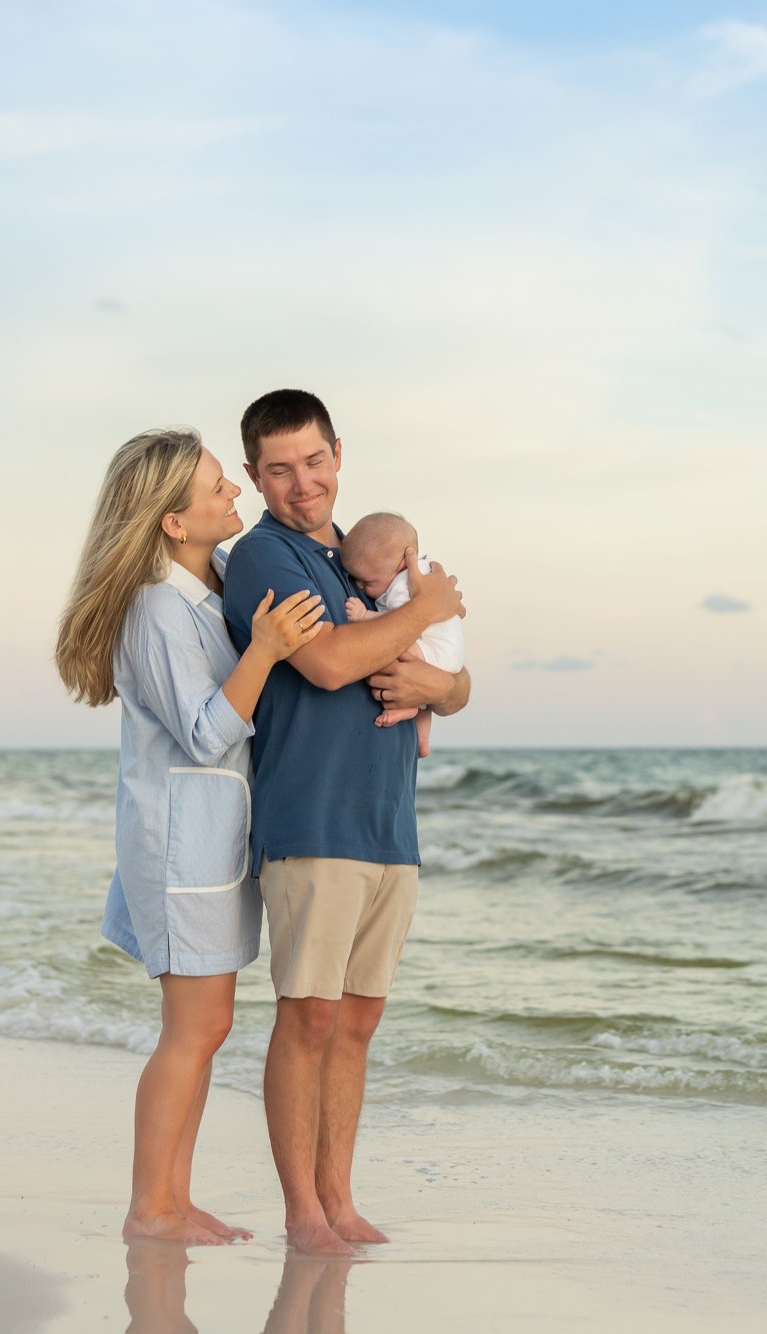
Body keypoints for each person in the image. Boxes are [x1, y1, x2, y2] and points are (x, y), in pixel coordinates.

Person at [54, 427, 326, 1246]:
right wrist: (271, 650)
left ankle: (174, 1197)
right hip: (180, 846)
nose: (234, 494)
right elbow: (208, 731)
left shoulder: (203, 598)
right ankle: (151, 1206)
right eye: (217, 486)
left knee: (208, 1026)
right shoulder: (156, 608)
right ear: (174, 521)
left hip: (212, 843)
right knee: (194, 1027)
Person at [222, 389, 471, 1255]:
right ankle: (304, 1211)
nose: (302, 484)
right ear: (255, 475)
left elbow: (455, 676)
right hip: (311, 821)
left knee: (358, 1023)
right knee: (310, 1019)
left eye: (315, 462)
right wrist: (423, 612)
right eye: (280, 470)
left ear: (338, 453)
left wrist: (439, 682)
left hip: (389, 825)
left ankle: (340, 1198)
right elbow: (328, 663)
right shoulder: (262, 557)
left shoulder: (368, 558)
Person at [339, 511, 466, 757]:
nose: (359, 587)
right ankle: (423, 739)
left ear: (399, 566)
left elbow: (398, 624)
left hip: (435, 651)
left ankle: (407, 709)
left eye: (367, 583)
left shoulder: (403, 584)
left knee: (393, 648)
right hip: (448, 656)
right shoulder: (419, 572)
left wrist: (365, 616)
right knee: (424, 693)